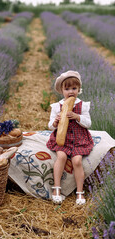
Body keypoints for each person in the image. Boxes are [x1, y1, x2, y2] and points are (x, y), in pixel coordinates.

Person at [46, 70, 94, 205]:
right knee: (61, 157)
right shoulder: (57, 106)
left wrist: (78, 117)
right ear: (62, 90)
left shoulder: (82, 105)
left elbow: (88, 123)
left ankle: (80, 192)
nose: (71, 91)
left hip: (79, 139)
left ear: (79, 89)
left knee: (77, 161)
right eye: (67, 89)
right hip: (63, 139)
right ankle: (56, 190)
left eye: (74, 88)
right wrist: (55, 122)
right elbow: (50, 126)